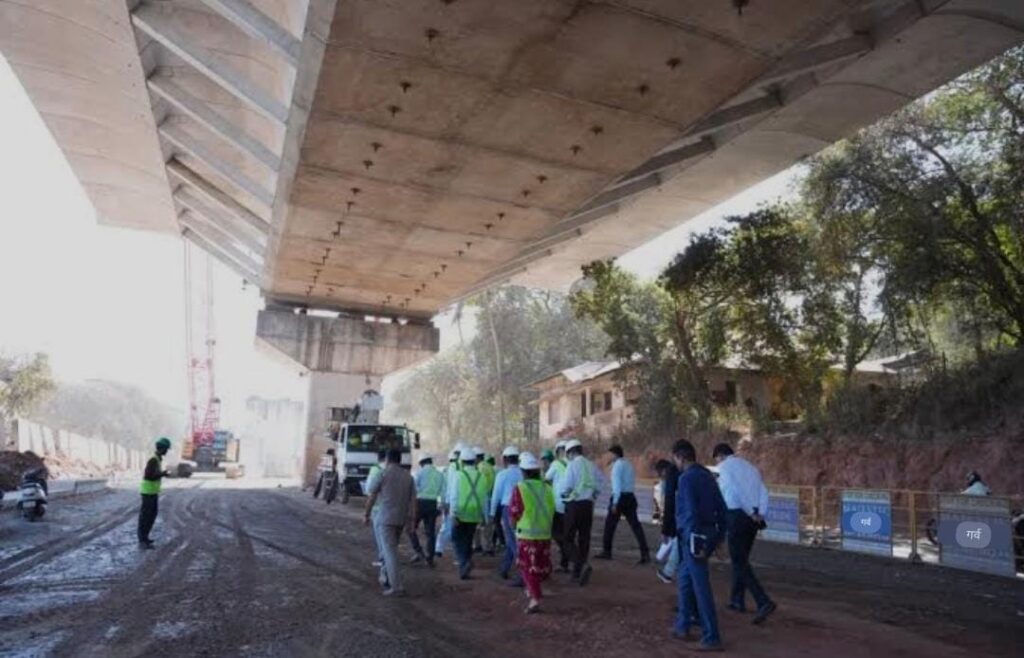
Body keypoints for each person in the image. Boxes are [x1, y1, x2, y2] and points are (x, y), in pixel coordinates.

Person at [713, 442, 776, 625]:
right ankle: (737, 600)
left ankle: (762, 600)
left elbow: (734, 493)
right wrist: (759, 513)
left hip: (737, 515)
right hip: (753, 518)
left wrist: (749, 511)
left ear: (719, 456)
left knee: (739, 561)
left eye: (716, 459)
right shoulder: (751, 467)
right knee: (741, 559)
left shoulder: (724, 468)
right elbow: (763, 491)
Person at [673, 439, 727, 651]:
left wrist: (694, 540)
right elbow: (722, 508)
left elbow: (690, 512)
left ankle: (712, 636)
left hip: (694, 535)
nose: (675, 463)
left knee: (700, 586)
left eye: (675, 459)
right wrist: (720, 537)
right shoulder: (707, 475)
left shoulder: (686, 478)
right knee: (685, 578)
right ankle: (682, 625)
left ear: (680, 457)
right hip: (708, 532)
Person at [364, 448, 416, 596]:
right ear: (400, 460)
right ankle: (386, 578)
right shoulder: (408, 477)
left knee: (389, 552)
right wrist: (411, 520)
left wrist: (366, 514)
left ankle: (396, 586)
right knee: (391, 549)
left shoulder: (382, 474)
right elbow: (413, 501)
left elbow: (372, 496)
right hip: (401, 519)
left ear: (387, 459)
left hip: (385, 519)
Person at [509, 452, 556, 614]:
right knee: (540, 565)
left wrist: (513, 526)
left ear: (524, 472)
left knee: (527, 567)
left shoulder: (520, 488)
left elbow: (515, 511)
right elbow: (552, 509)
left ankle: (535, 599)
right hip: (545, 533)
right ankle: (533, 590)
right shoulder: (547, 488)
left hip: (527, 535)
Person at [596, 445, 651, 564]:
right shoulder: (628, 464)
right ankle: (645, 552)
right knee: (636, 526)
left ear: (614, 454)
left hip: (619, 497)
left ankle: (607, 551)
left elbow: (617, 486)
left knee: (610, 525)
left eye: (609, 454)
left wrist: (615, 502)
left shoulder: (617, 466)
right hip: (630, 497)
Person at [559, 438, 601, 586]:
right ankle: (578, 572)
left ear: (570, 452)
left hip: (574, 505)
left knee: (567, 539)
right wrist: (592, 496)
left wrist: (563, 495)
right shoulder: (591, 465)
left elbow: (567, 487)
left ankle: (581, 564)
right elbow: (600, 484)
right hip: (588, 505)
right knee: (584, 538)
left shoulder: (572, 465)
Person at [448, 447, 488, 579]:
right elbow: (484, 498)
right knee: (468, 539)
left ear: (462, 461)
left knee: (456, 538)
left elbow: (454, 496)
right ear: (474, 461)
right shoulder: (481, 477)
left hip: (461, 512)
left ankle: (463, 563)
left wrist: (453, 514)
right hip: (475, 513)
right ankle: (467, 561)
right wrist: (485, 516)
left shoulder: (458, 475)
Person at [490, 446, 524, 581]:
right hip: (523, 508)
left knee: (511, 540)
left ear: (505, 460)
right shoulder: (523, 473)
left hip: (508, 508)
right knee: (514, 539)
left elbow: (496, 496)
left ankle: (524, 573)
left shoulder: (502, 475)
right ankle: (504, 568)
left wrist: (492, 513)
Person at [409, 454, 445, 566]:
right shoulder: (439, 474)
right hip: (432, 504)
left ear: (421, 463)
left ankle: (418, 551)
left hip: (419, 503)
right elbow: (443, 492)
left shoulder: (419, 473)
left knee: (411, 528)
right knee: (430, 532)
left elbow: (414, 489)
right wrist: (440, 506)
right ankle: (430, 558)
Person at [138, 437, 172, 549]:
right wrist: (162, 474)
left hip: (152, 492)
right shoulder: (153, 460)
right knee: (146, 517)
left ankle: (145, 538)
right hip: (148, 492)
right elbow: (148, 476)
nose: (167, 451)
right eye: (166, 449)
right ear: (162, 448)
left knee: (152, 515)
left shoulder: (157, 459)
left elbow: (153, 474)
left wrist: (162, 474)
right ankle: (142, 540)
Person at [542, 446, 570, 572]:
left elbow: (545, 480)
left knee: (557, 534)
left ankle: (570, 557)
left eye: (545, 461)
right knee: (565, 534)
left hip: (558, 506)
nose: (544, 463)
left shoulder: (556, 464)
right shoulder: (571, 464)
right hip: (569, 504)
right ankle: (565, 562)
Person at [654, 458, 680, 583]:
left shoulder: (670, 478)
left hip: (679, 516)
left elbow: (669, 503)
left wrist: (665, 529)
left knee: (678, 543)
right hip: (684, 515)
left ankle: (668, 572)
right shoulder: (681, 474)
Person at [435, 447, 460, 559]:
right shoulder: (452, 469)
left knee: (447, 527)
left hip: (451, 501)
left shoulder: (451, 469)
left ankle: (439, 548)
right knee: (448, 527)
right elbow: (448, 488)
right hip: (451, 502)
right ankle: (439, 548)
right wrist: (445, 502)